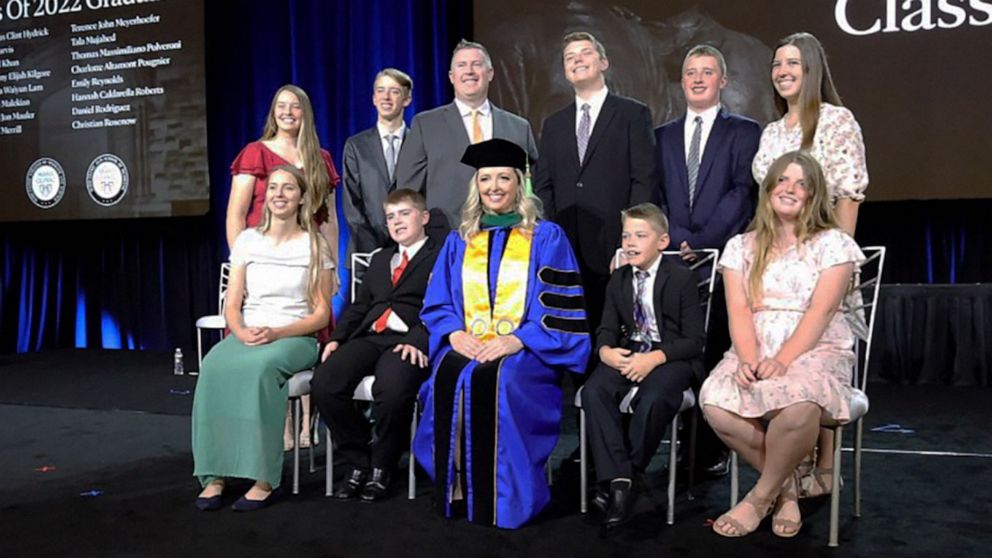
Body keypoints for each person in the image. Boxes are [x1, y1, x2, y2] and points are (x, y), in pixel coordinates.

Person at [413, 139, 591, 529]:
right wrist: (453, 333)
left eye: (503, 178)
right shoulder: (460, 239)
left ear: (519, 183)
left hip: (526, 348)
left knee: (503, 380)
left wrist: (517, 340)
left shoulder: (546, 237)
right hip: (469, 341)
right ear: (476, 185)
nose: (494, 186)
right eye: (486, 178)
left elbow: (558, 310)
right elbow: (438, 300)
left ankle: (507, 498)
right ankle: (458, 488)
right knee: (448, 376)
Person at [700, 151, 864, 537]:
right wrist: (748, 358)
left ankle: (757, 499)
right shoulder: (741, 246)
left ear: (813, 194)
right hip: (753, 344)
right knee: (716, 403)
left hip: (815, 348)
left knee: (799, 406)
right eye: (783, 180)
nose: (790, 189)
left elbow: (820, 313)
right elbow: (738, 310)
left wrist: (783, 359)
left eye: (801, 183)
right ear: (769, 188)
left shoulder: (834, 245)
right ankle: (787, 490)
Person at [750, 32, 869, 496]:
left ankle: (823, 464)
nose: (782, 71)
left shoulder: (837, 122)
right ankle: (787, 467)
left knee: (812, 358)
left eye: (793, 63)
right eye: (777, 63)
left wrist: (833, 262)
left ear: (812, 68)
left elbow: (848, 197)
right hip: (776, 267)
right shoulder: (772, 132)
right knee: (777, 360)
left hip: (821, 267)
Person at [192, 165, 335, 511]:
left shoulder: (313, 244)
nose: (279, 194)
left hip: (294, 336)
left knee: (260, 372)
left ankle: (263, 477)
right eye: (273, 188)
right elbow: (233, 303)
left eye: (288, 188)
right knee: (213, 366)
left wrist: (277, 333)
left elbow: (320, 314)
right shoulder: (247, 240)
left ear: (302, 197)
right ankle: (214, 474)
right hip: (250, 332)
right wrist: (240, 331)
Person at [654, 44, 762, 478]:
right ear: (682, 82)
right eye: (691, 73)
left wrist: (704, 241)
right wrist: (679, 240)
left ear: (723, 81)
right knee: (681, 352)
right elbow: (657, 193)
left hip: (724, 261)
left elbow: (742, 192)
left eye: (707, 72)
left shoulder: (745, 131)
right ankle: (684, 444)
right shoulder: (661, 134)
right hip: (676, 260)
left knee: (716, 350)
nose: (698, 79)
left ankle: (712, 446)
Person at [227, 84, 342, 450]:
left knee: (307, 334)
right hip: (265, 264)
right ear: (272, 112)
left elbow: (329, 219)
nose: (288, 112)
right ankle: (282, 425)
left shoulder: (320, 157)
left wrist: (333, 266)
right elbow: (236, 214)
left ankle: (309, 423)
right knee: (269, 341)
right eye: (281, 106)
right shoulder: (255, 153)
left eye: (295, 106)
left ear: (305, 113)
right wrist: (246, 264)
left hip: (309, 265)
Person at [310, 189, 440, 502]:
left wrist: (420, 339)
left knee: (393, 389)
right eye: (391, 217)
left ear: (424, 218)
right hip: (371, 336)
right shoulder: (381, 258)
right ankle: (358, 459)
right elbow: (359, 306)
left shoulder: (441, 254)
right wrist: (337, 338)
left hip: (409, 339)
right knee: (325, 382)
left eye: (404, 214)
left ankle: (383, 465)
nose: (396, 222)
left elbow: (446, 304)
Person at [582, 203, 705, 529]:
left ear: (662, 242)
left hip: (670, 356)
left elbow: (694, 340)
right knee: (595, 391)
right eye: (626, 236)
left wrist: (654, 359)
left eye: (640, 235)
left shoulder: (681, 278)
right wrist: (605, 350)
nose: (630, 242)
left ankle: (621, 478)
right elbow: (606, 327)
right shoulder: (619, 279)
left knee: (652, 398)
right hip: (630, 349)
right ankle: (622, 478)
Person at [533, 31, 657, 334]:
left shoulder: (632, 114)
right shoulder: (554, 124)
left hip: (614, 245)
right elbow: (543, 185)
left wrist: (629, 241)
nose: (577, 59)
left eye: (585, 52)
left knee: (612, 330)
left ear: (603, 62)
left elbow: (644, 180)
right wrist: (552, 237)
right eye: (569, 57)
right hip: (566, 247)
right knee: (570, 329)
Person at [394, 40, 538, 231]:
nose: (469, 71)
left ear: (490, 73)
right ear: (452, 77)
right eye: (461, 65)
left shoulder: (519, 127)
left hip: (510, 240)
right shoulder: (426, 124)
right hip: (446, 240)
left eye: (476, 64)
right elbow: (407, 189)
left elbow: (534, 187)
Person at [341, 69, 413, 258]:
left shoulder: (419, 143)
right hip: (366, 253)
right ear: (374, 98)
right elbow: (352, 204)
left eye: (394, 91)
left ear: (407, 99)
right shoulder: (356, 146)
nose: (386, 97)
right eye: (381, 90)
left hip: (411, 252)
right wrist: (377, 251)